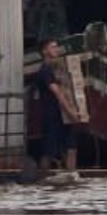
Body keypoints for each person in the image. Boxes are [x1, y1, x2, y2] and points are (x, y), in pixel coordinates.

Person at [35, 38, 87, 177]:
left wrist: (76, 110)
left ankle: (71, 177)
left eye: (57, 47)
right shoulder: (45, 71)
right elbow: (57, 92)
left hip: (63, 115)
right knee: (49, 151)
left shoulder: (58, 69)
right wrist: (71, 112)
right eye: (53, 47)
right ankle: (42, 178)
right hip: (52, 115)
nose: (56, 50)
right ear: (44, 51)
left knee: (71, 148)